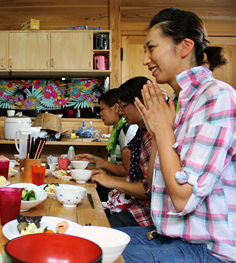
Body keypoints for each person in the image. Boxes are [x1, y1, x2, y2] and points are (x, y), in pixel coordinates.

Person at [119, 8, 235, 262]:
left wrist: (163, 131)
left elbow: (184, 198)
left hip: (207, 248)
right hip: (169, 235)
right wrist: (159, 134)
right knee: (87, 238)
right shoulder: (177, 101)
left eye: (151, 48)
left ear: (184, 47)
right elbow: (151, 185)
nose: (145, 59)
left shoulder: (216, 97)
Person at [90, 77, 153, 228]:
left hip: (146, 210)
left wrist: (111, 181)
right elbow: (134, 177)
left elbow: (148, 189)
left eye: (123, 106)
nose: (121, 111)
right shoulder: (140, 132)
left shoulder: (148, 136)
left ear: (140, 103)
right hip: (134, 200)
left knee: (100, 226)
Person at [75, 89, 138, 201]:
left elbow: (127, 171)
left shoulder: (127, 130)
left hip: (122, 191)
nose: (100, 113)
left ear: (116, 108)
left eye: (103, 109)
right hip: (115, 185)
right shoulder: (118, 129)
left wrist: (103, 164)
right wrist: (95, 159)